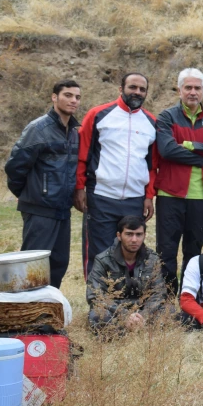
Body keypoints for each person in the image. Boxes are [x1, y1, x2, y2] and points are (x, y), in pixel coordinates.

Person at [155, 68, 203, 295]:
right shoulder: (167, 117)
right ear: (179, 90)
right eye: (188, 87)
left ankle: (188, 298)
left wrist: (187, 145)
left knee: (193, 251)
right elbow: (167, 150)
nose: (193, 92)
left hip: (200, 196)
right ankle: (166, 301)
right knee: (166, 250)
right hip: (170, 194)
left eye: (197, 88)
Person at [75, 73, 156, 278]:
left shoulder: (151, 122)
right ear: (121, 89)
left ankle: (127, 302)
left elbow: (152, 165)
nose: (137, 92)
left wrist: (148, 195)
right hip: (101, 196)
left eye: (142, 89)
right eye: (132, 87)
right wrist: (79, 187)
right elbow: (82, 154)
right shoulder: (98, 114)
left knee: (131, 252)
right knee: (99, 253)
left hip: (134, 199)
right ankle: (98, 303)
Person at [5, 79, 81, 288]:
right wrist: (31, 193)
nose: (73, 100)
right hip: (40, 209)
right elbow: (15, 166)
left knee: (58, 263)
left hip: (63, 209)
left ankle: (46, 312)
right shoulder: (38, 128)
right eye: (68, 95)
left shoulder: (75, 132)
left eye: (77, 97)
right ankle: (25, 313)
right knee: (33, 265)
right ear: (54, 97)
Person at [86, 216, 166, 334]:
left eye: (138, 234)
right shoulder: (103, 260)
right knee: (98, 315)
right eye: (129, 234)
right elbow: (95, 295)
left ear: (144, 235)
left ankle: (132, 328)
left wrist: (143, 315)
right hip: (115, 310)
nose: (134, 239)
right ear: (119, 236)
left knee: (170, 311)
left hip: (143, 309)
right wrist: (125, 315)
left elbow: (158, 293)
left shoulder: (152, 258)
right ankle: (124, 332)